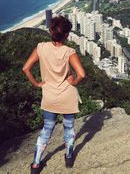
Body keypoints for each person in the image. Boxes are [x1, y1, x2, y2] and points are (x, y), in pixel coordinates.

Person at [22, 16, 85, 173]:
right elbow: (82, 74)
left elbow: (25, 68)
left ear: (51, 32)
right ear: (66, 35)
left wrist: (36, 83)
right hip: (67, 96)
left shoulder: (41, 47)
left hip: (49, 96)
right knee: (68, 127)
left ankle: (36, 165)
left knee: (47, 130)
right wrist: (73, 82)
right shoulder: (69, 52)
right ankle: (69, 158)